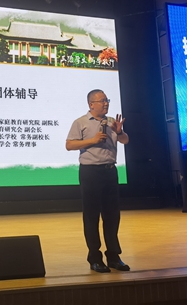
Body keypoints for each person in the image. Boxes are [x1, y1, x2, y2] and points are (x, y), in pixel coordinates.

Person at [66, 89, 130, 273]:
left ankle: (114, 257)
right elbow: (69, 145)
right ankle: (95, 258)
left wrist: (120, 131)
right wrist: (92, 140)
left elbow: (125, 141)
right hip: (90, 172)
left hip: (110, 171)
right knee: (91, 216)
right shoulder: (80, 122)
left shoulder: (111, 122)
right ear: (91, 104)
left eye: (107, 100)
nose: (106, 103)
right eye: (102, 101)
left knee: (112, 216)